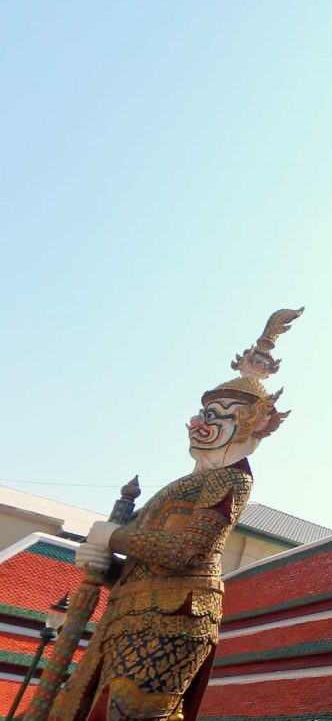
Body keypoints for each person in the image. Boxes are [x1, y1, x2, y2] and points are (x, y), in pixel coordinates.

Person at [55, 309, 301, 721]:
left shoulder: (232, 481)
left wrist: (112, 536)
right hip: (129, 613)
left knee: (126, 712)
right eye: (202, 414)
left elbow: (187, 552)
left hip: (177, 615)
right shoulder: (181, 486)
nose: (197, 424)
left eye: (215, 416)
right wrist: (108, 564)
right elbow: (151, 558)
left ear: (247, 425)